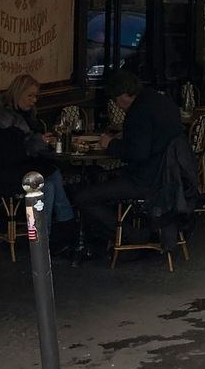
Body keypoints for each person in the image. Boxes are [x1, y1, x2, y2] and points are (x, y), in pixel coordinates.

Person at [73, 73, 185, 254]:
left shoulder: (138, 111)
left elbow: (137, 154)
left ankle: (130, 235)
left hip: (147, 180)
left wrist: (111, 144)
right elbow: (153, 137)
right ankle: (133, 232)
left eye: (117, 100)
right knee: (105, 183)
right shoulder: (162, 101)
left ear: (124, 95)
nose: (118, 105)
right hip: (171, 177)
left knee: (83, 197)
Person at [0, 76, 75, 231]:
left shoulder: (28, 115)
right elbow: (7, 152)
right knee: (49, 181)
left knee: (52, 179)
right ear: (18, 93)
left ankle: (55, 230)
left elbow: (29, 141)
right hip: (0, 171)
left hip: (20, 166)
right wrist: (37, 143)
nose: (34, 100)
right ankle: (54, 229)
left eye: (36, 96)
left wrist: (39, 140)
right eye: (30, 96)